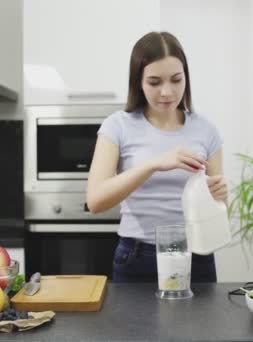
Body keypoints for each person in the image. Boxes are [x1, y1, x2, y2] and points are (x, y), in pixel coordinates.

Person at [86, 31, 228, 283]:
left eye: (176, 80)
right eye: (154, 82)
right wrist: (153, 164)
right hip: (137, 258)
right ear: (138, 82)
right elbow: (95, 201)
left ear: (186, 78)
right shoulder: (117, 126)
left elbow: (220, 209)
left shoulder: (207, 130)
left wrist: (221, 197)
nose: (167, 91)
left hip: (196, 256)